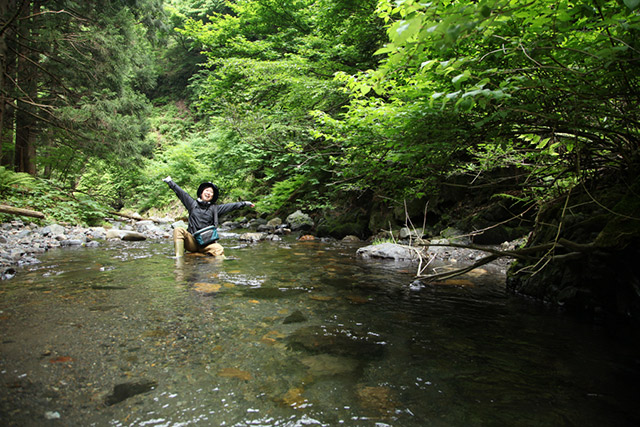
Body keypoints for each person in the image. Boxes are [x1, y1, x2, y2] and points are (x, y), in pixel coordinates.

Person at [163, 176, 254, 257]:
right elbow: (181, 193)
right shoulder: (192, 204)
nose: (208, 193)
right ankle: (179, 258)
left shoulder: (215, 208)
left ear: (213, 196)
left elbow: (231, 206)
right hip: (192, 242)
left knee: (219, 249)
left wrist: (244, 203)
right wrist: (170, 181)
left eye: (211, 192)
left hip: (207, 244)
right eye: (207, 190)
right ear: (201, 193)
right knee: (178, 230)